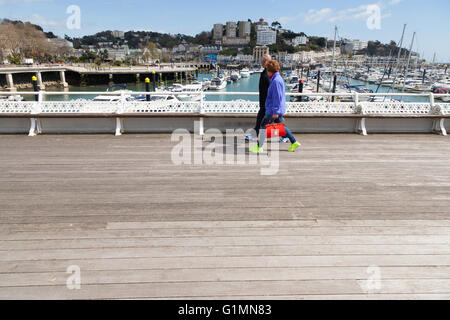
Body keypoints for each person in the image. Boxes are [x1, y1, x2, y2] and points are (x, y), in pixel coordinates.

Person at [250, 60, 301, 153]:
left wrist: (275, 112)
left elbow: (277, 97)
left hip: (273, 110)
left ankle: (259, 147)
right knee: (281, 127)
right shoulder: (277, 78)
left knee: (263, 126)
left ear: (270, 70)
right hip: (275, 109)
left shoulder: (276, 81)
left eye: (267, 70)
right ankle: (294, 142)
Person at [245, 54, 271, 142]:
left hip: (266, 101)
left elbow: (270, 88)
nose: (261, 63)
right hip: (265, 101)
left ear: (264, 62)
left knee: (261, 118)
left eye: (261, 61)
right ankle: (286, 136)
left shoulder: (268, 73)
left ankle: (255, 135)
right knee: (278, 120)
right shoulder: (266, 72)